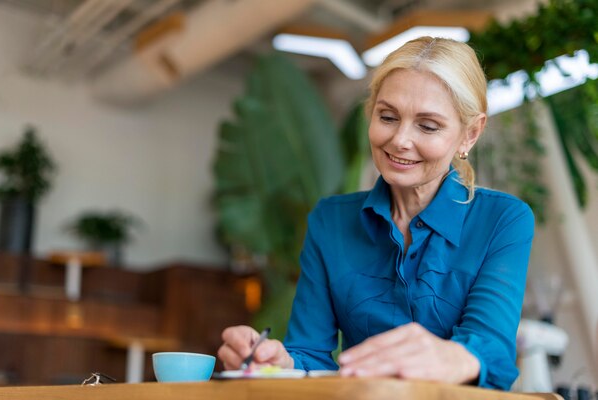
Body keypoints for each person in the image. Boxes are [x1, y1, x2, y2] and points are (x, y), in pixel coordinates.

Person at [217, 36, 534, 390]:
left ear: (469, 134)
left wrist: (448, 357)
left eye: (427, 126)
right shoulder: (330, 221)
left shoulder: (504, 220)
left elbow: (490, 350)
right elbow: (308, 354)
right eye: (388, 116)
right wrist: (276, 362)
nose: (400, 139)